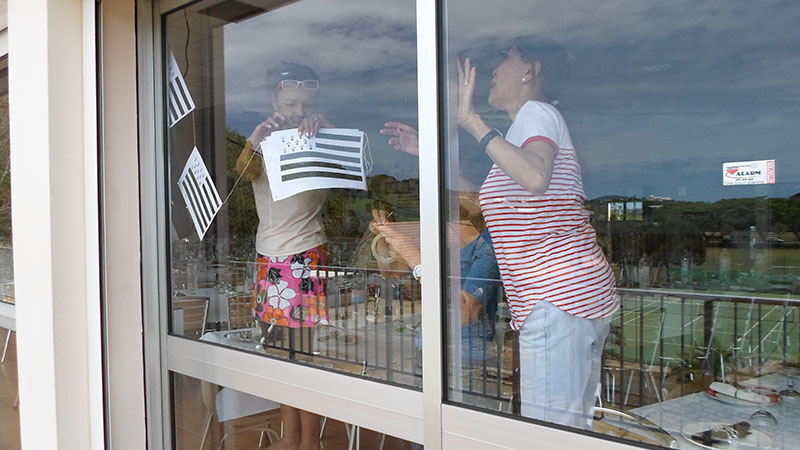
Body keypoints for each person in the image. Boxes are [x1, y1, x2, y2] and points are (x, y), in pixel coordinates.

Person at [455, 37, 618, 428]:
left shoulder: (536, 112)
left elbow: (534, 176)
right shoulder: (524, 130)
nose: (494, 70)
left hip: (556, 299)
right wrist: (425, 155)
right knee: (569, 427)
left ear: (530, 71)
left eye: (505, 59)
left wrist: (472, 121)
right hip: (570, 296)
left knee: (548, 432)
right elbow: (488, 202)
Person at [235, 62, 334, 450]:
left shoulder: (320, 136)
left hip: (305, 251)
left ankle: (309, 442)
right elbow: (243, 173)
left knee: (304, 354)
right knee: (278, 351)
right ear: (273, 102)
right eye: (290, 104)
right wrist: (253, 139)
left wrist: (324, 128)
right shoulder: (265, 142)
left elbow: (350, 165)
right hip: (269, 254)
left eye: (304, 105)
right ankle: (289, 436)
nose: (297, 112)